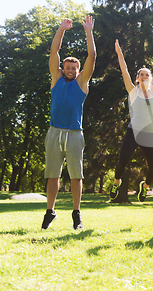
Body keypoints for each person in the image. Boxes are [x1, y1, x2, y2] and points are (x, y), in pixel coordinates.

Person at [42, 16, 96, 230]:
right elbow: (54, 51)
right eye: (68, 67)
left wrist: (88, 31)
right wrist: (61, 29)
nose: (71, 70)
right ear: (63, 68)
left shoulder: (82, 83)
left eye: (75, 68)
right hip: (54, 132)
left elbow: (92, 55)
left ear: (79, 70)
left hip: (74, 133)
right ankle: (50, 211)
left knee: (76, 175)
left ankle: (76, 214)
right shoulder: (56, 80)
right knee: (52, 174)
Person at [110, 40, 153, 202]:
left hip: (148, 134)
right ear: (137, 78)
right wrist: (119, 54)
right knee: (123, 161)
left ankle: (145, 187)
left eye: (147, 75)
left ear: (150, 78)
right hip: (133, 132)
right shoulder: (133, 91)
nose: (144, 77)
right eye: (141, 74)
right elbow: (124, 70)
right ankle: (116, 183)